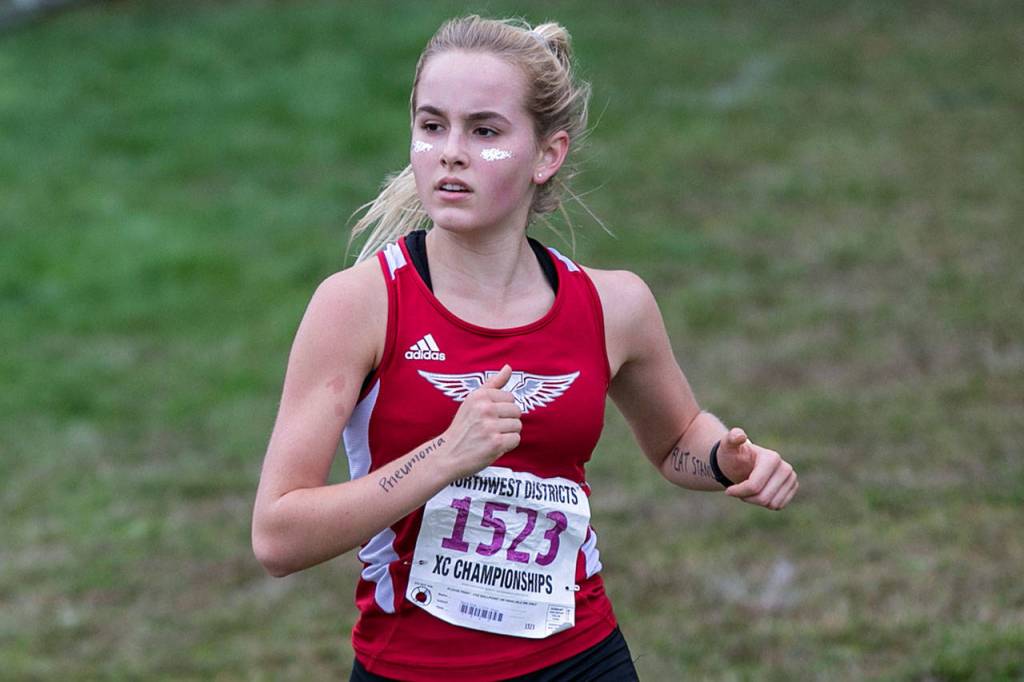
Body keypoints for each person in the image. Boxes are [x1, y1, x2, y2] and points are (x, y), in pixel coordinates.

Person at [251, 15, 798, 681]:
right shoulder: (360, 304)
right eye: (432, 126)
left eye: (484, 131)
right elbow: (277, 536)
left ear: (548, 153)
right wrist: (442, 458)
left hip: (582, 659)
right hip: (416, 670)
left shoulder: (613, 305)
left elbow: (675, 437)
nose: (450, 152)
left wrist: (726, 460)